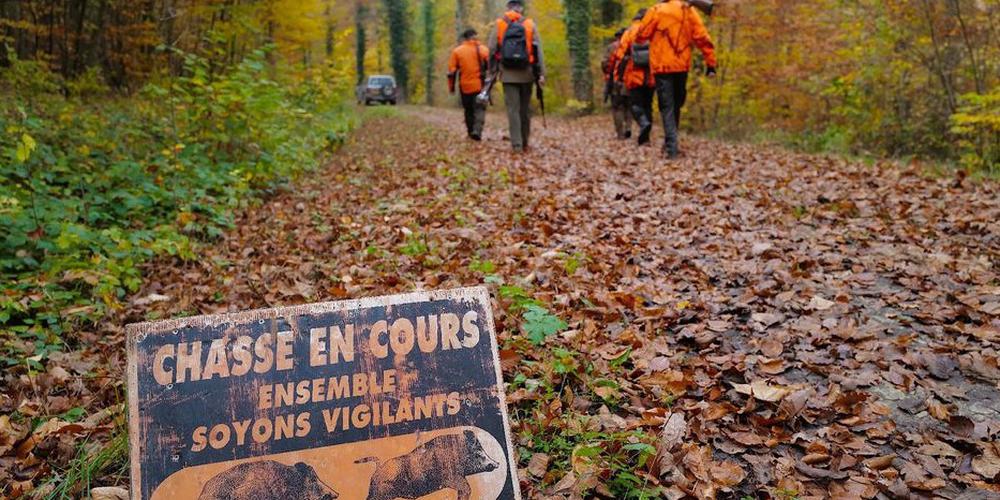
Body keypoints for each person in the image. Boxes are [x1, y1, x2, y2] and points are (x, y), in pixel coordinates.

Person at [636, 0, 717, 158]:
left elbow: (641, 36)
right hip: (682, 66)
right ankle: (670, 144)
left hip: (662, 67)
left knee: (667, 106)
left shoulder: (657, 10)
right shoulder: (689, 11)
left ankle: (671, 149)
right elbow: (703, 38)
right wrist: (711, 64)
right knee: (676, 105)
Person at [487, 0, 546, 153]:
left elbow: (492, 49)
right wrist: (541, 74)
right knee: (525, 109)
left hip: (507, 74)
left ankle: (516, 145)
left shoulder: (499, 24)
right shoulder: (530, 24)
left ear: (508, 8)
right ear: (521, 9)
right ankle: (525, 141)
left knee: (513, 110)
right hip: (527, 73)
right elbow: (538, 51)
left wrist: (492, 71)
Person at [614, 8, 655, 145]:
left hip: (634, 75)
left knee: (635, 104)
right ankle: (646, 138)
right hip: (651, 75)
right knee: (648, 105)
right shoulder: (654, 31)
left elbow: (619, 54)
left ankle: (643, 123)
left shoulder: (630, 32)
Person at [448, 28, 490, 141]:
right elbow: (491, 67)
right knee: (480, 109)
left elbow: (451, 72)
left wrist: (451, 88)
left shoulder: (457, 51)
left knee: (468, 110)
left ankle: (471, 132)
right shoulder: (484, 50)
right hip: (480, 86)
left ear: (465, 38)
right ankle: (478, 130)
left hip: (465, 86)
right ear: (475, 36)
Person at [603, 28, 631, 140]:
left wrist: (607, 74)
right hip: (630, 80)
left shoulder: (612, 47)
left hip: (615, 81)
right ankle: (628, 127)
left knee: (617, 107)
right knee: (628, 106)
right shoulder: (632, 45)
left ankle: (620, 133)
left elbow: (605, 64)